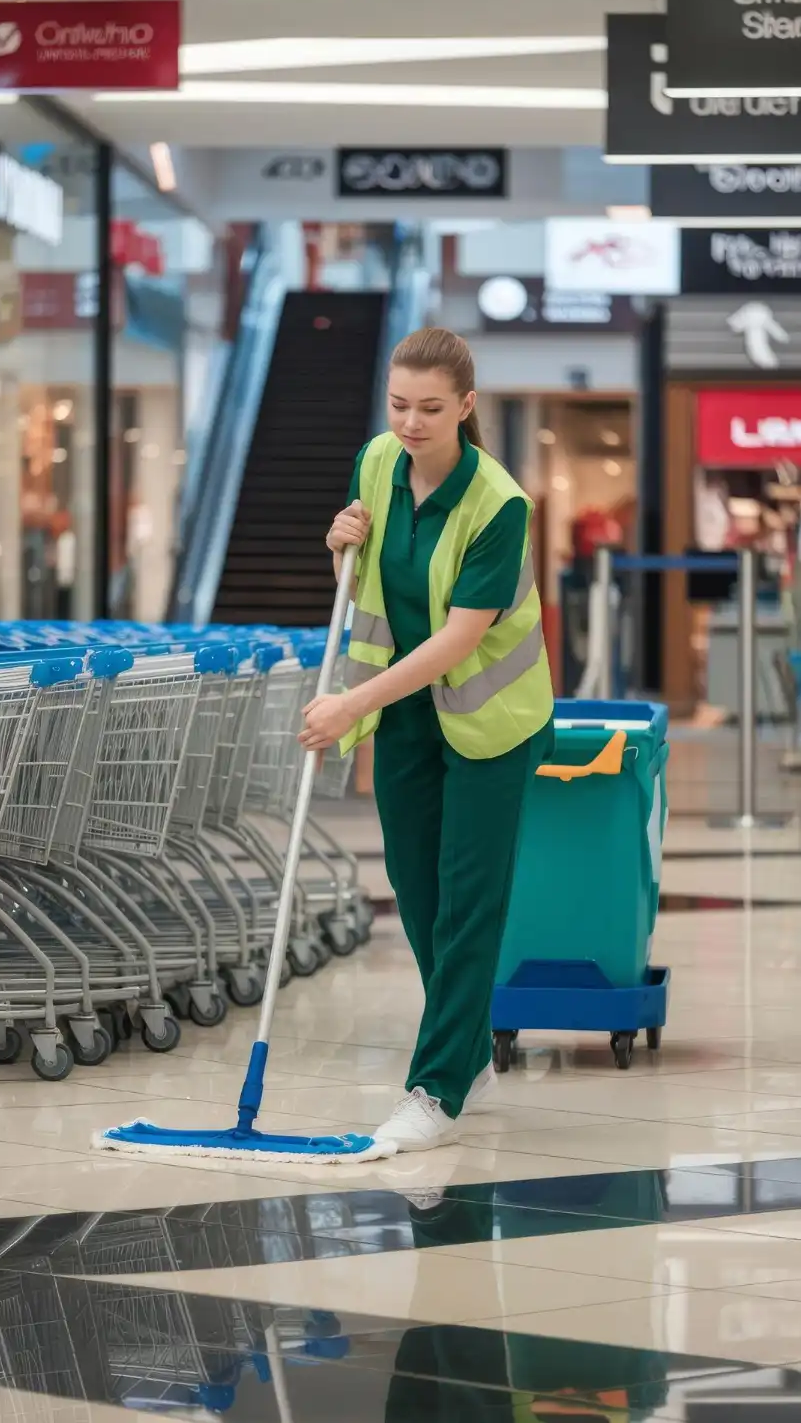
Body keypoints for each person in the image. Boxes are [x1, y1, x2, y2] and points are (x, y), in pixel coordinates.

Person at [299, 327, 554, 1153]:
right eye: (399, 404)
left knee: (468, 907)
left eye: (431, 409)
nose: (410, 423)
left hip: (490, 718)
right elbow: (368, 573)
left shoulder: (498, 505)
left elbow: (457, 639)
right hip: (407, 712)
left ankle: (437, 1088)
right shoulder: (375, 461)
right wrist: (337, 544)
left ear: (466, 408)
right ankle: (468, 1042)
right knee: (416, 891)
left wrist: (347, 704)